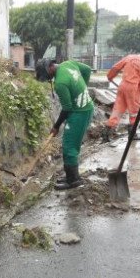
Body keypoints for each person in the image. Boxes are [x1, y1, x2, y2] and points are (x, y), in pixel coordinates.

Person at [35, 57, 94, 190]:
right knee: (70, 143)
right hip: (84, 109)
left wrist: (56, 126)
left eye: (47, 75)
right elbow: (87, 70)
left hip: (79, 113)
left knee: (69, 145)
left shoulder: (60, 83)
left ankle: (73, 181)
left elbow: (67, 108)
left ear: (50, 67)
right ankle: (70, 176)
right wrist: (82, 89)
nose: (48, 78)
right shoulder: (69, 63)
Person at [105, 47, 140, 129]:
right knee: (135, 112)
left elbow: (116, 67)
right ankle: (132, 133)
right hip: (133, 89)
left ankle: (108, 129)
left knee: (118, 109)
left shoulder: (130, 57)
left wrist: (110, 76)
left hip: (122, 86)